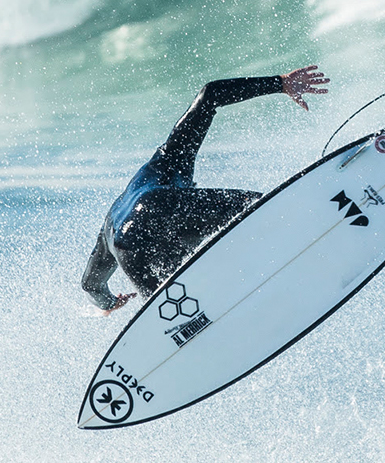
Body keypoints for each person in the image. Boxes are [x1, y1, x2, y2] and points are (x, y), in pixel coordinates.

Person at [81, 66, 332, 314]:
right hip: (157, 206)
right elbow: (210, 94)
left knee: (170, 316)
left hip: (127, 248)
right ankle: (321, 212)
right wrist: (280, 83)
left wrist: (109, 304)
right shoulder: (171, 159)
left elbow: (90, 285)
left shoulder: (108, 229)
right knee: (260, 207)